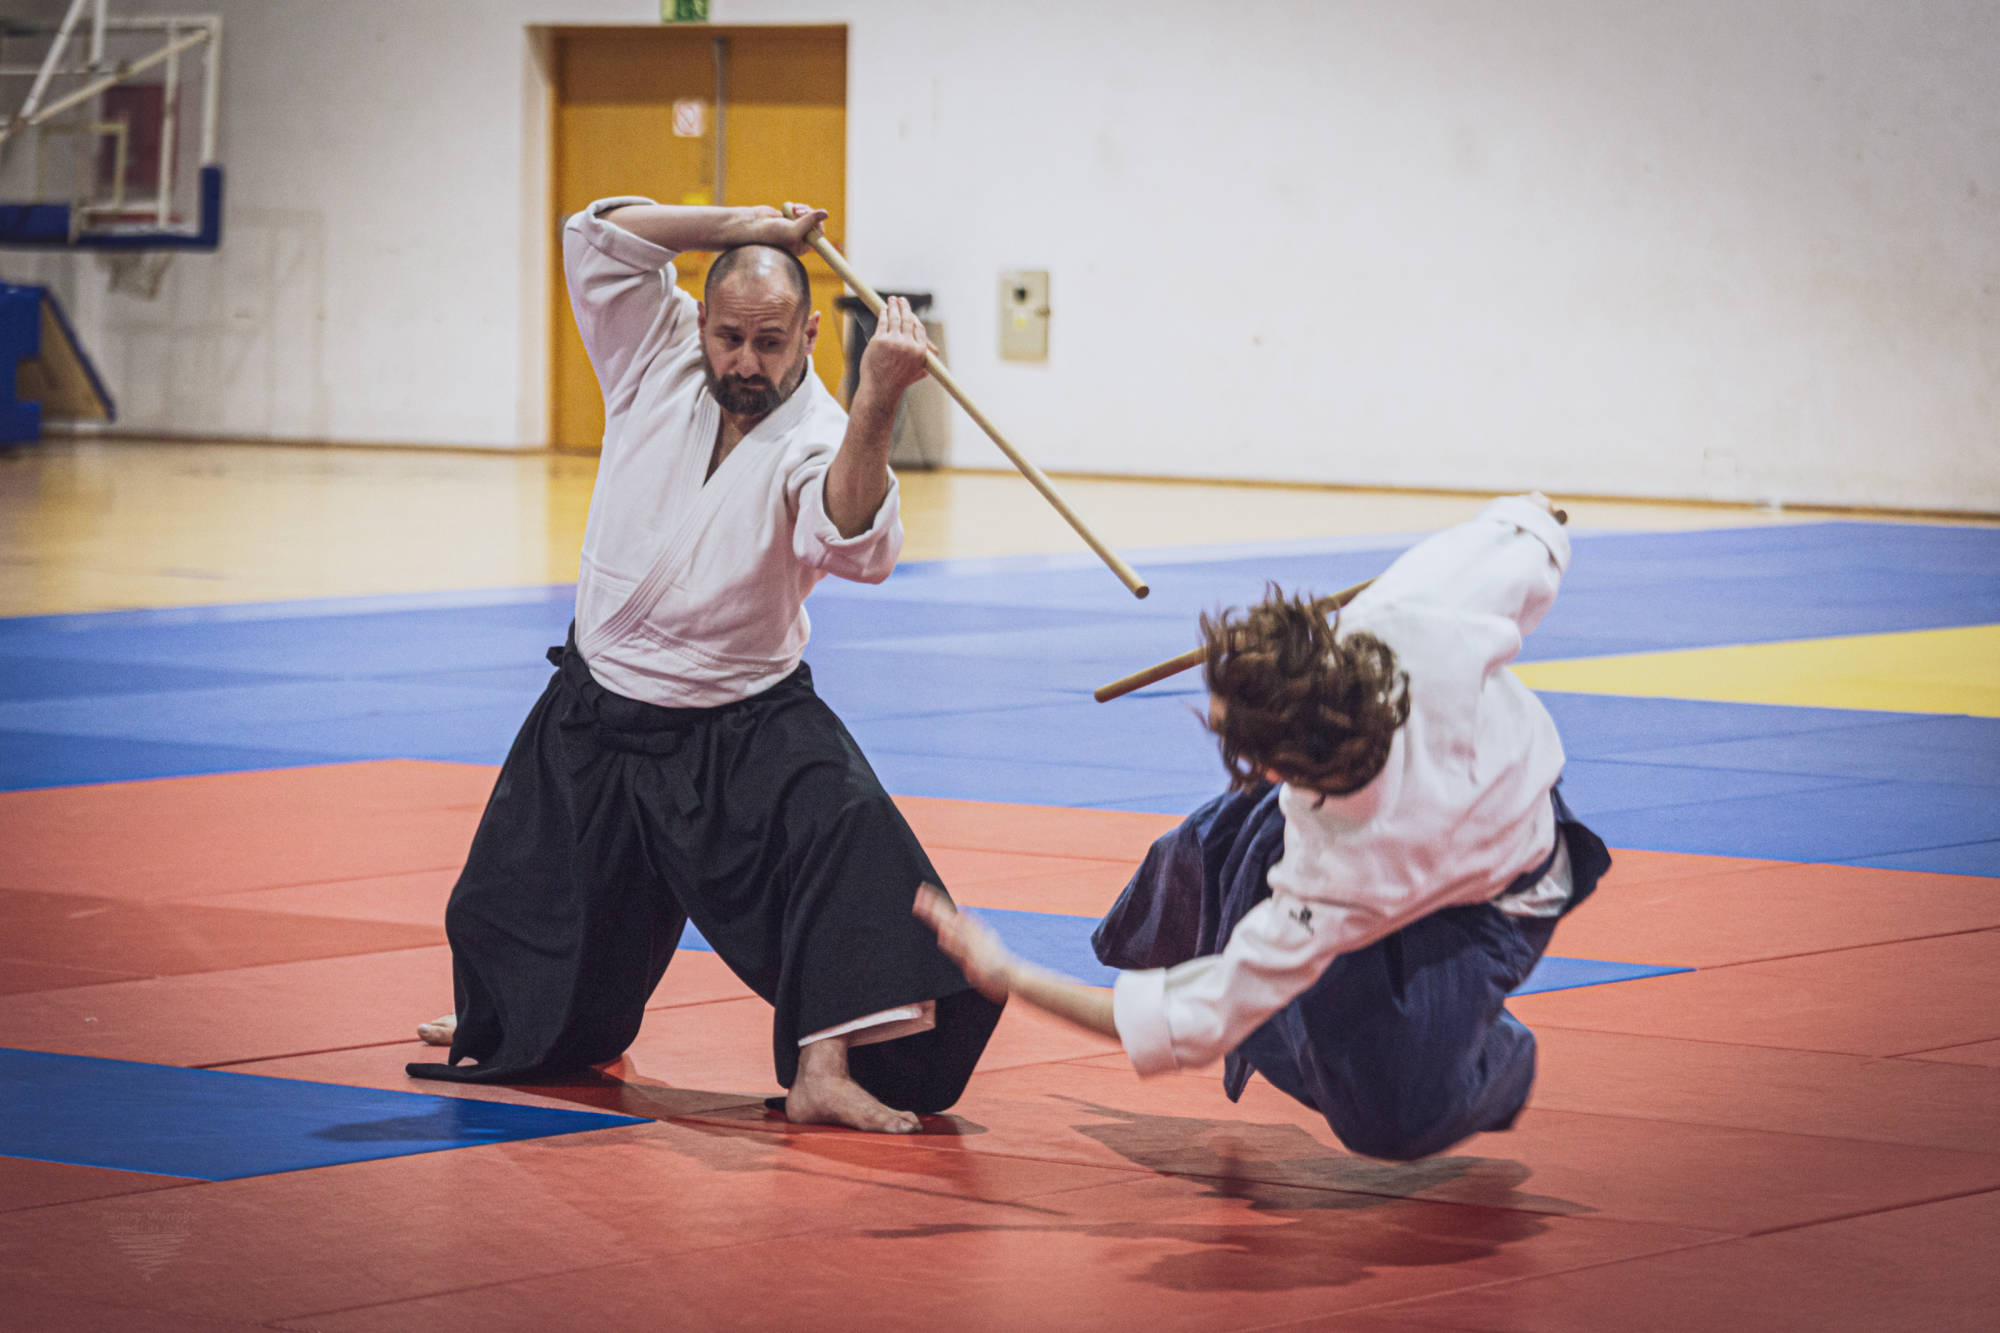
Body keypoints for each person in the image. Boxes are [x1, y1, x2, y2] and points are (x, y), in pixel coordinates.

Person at [408, 195, 1002, 1134]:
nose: (745, 364)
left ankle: (824, 1063)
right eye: (729, 337)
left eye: (771, 343)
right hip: (599, 707)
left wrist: (879, 397)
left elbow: (853, 536)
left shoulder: (815, 433)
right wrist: (740, 224)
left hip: (741, 720)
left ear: (810, 333)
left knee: (853, 841)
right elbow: (597, 238)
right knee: (513, 903)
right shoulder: (656, 357)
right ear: (700, 321)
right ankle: (503, 1019)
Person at [916, 493, 1610, 1160]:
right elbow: (1527, 535)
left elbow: (1198, 1017)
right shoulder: (1404, 615)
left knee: (1390, 1114)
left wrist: (1011, 972)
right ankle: (1283, 968)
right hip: (1439, 849)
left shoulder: (1330, 875)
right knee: (1202, 856)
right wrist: (1536, 516)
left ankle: (1493, 1055)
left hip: (1494, 901)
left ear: (1276, 771)